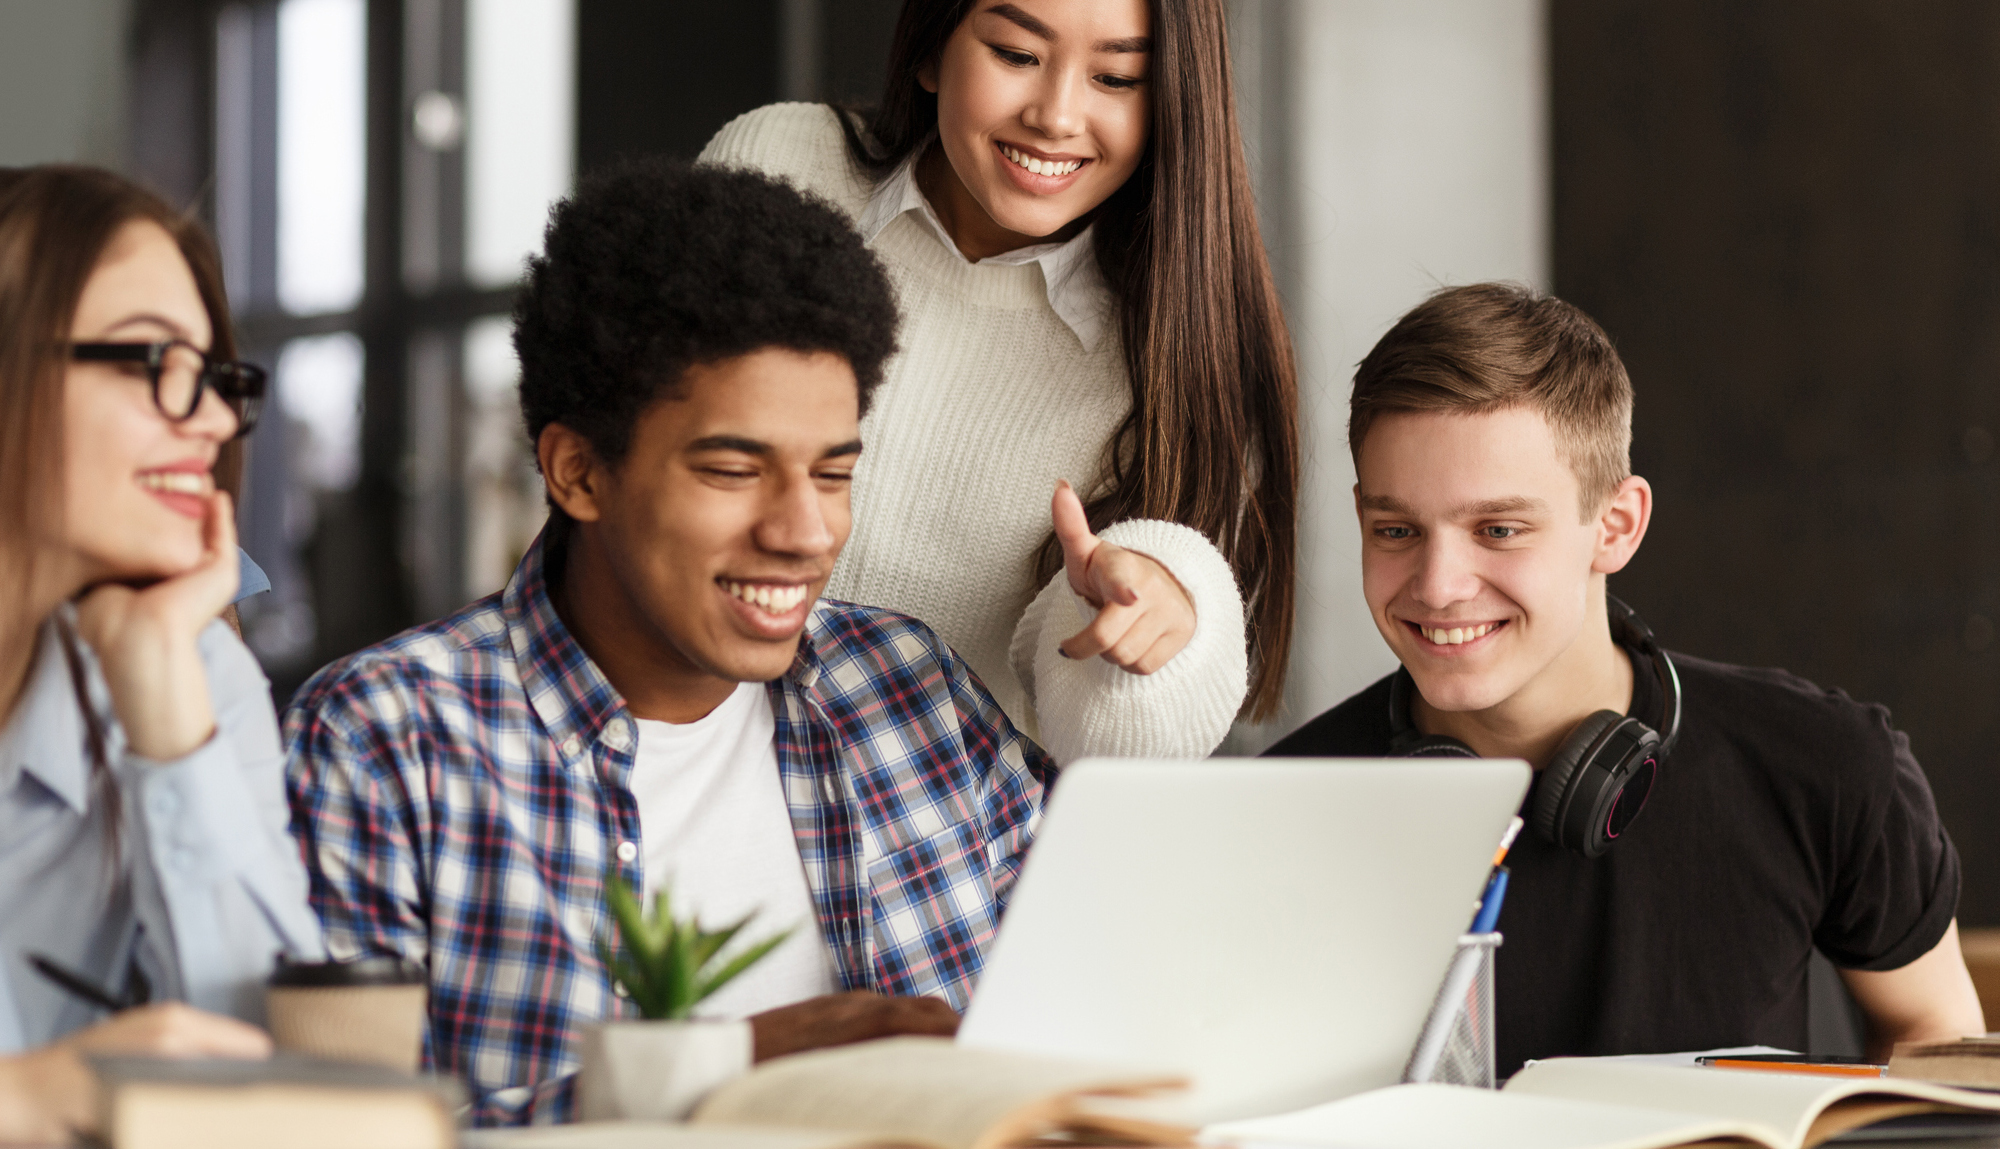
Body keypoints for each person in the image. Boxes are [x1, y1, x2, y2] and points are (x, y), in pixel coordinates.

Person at [286, 160, 1053, 1125]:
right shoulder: (386, 737)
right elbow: (325, 1132)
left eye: (831, 473)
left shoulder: (909, 691)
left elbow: (1086, 1023)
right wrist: (729, 1069)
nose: (805, 532)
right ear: (578, 472)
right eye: (734, 470)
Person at [1267, 282, 1985, 1072]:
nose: (1438, 585)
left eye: (1498, 529)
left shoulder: (1828, 765)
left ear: (1615, 526)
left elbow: (1935, 1054)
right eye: (1396, 529)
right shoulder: (1278, 811)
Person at [698, 0, 1299, 763]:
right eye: (1016, 55)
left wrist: (1152, 641)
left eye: (1116, 77)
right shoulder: (779, 165)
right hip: (659, 776)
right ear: (929, 50)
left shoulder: (1172, 353)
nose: (1056, 115)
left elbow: (1102, 750)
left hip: (920, 853)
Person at [0, 166, 323, 1142]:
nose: (218, 421)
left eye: (217, 378)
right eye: (153, 362)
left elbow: (287, 1096)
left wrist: (162, 696)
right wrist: (27, 1097)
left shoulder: (196, 673)